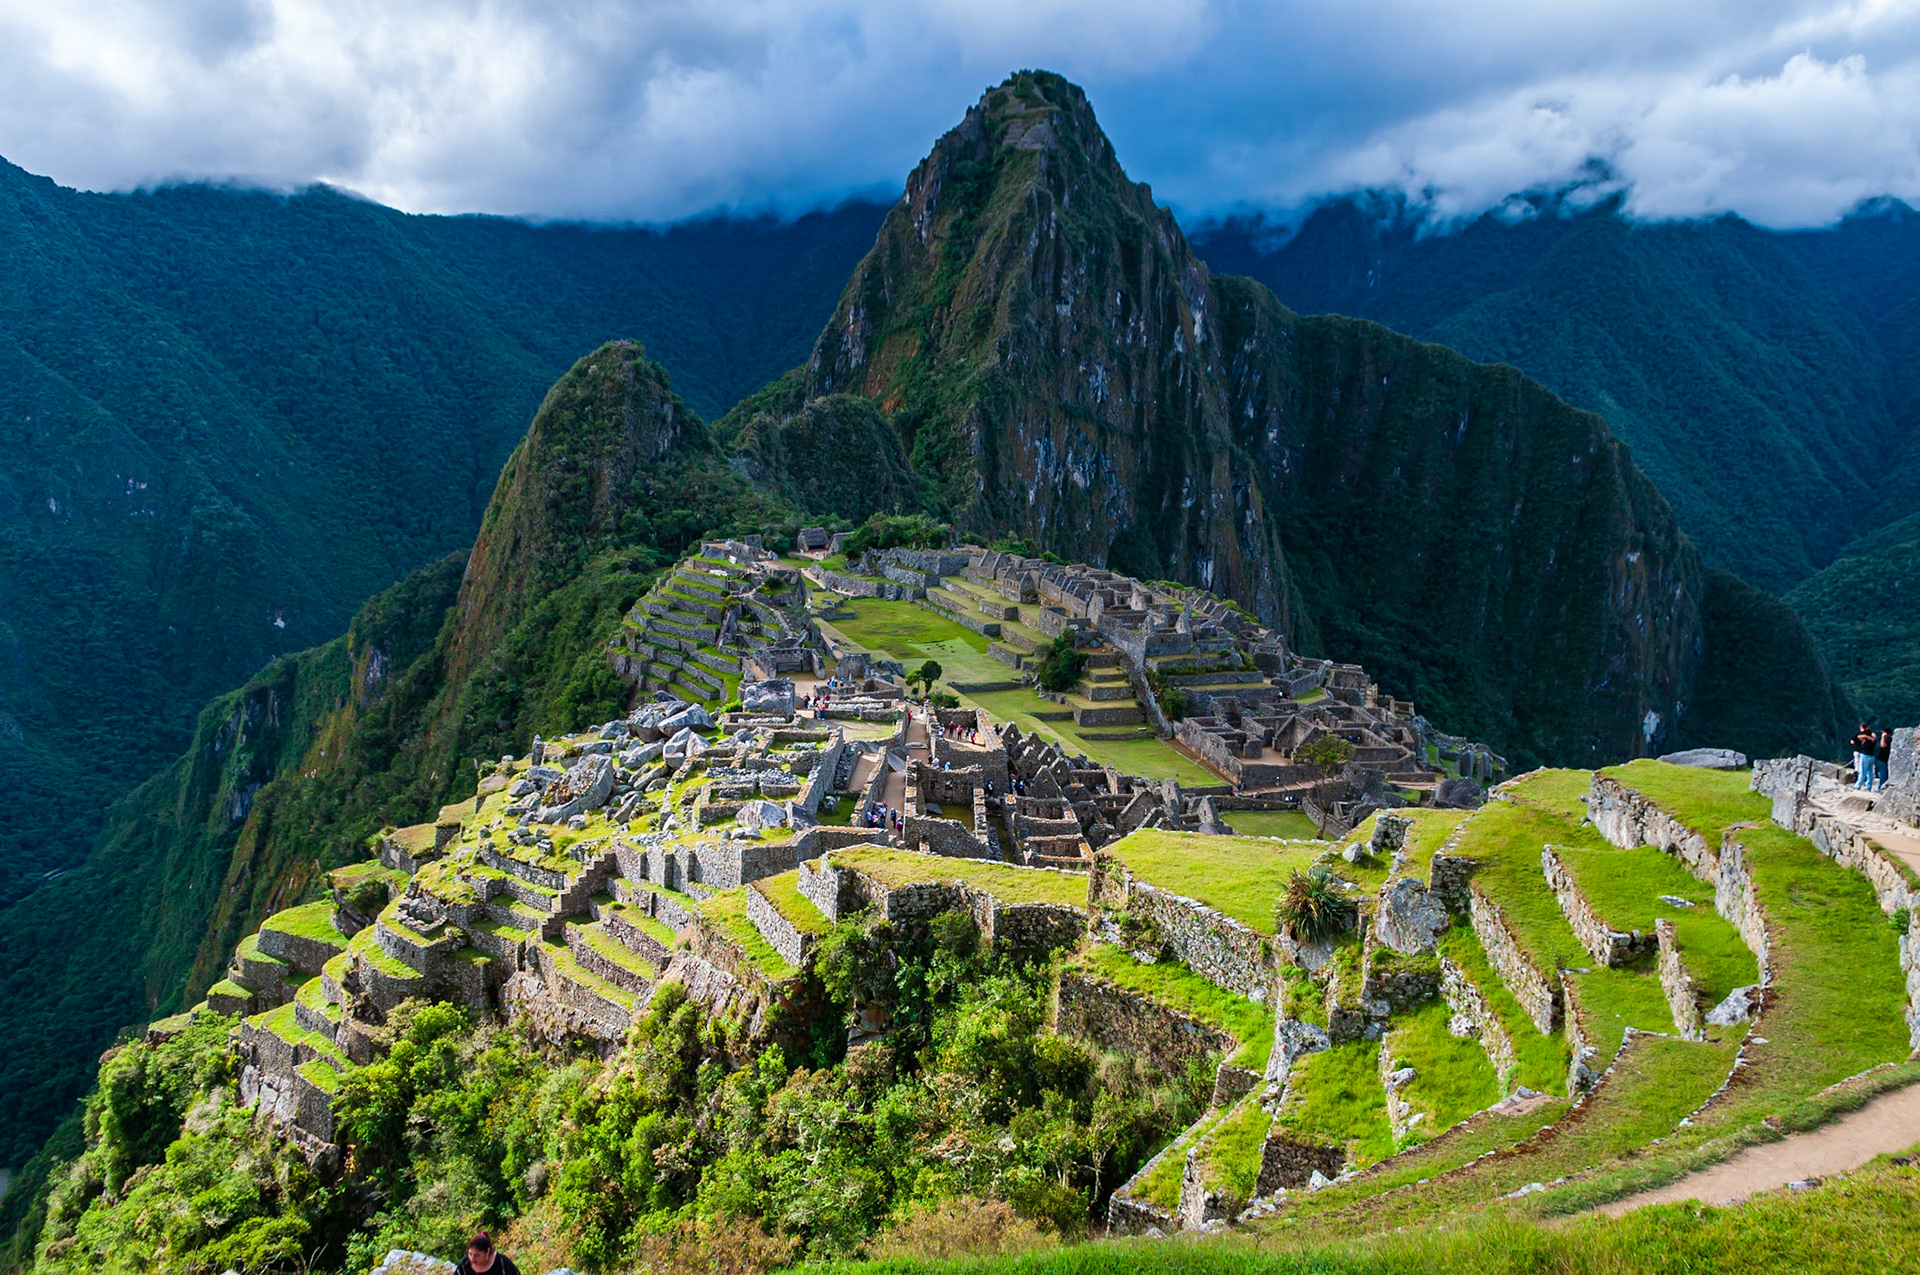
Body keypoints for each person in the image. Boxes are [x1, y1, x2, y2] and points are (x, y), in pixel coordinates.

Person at [456, 1233, 520, 1275]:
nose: (472, 1258)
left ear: (487, 1251)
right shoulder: (465, 1264)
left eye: (477, 1255)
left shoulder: (502, 1262)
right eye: (470, 1254)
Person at [1854, 722, 1875, 790]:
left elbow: (1859, 737)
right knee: (1870, 773)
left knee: (1862, 771)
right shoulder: (1873, 740)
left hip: (1865, 755)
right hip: (1872, 756)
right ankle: (1868, 786)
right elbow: (1874, 736)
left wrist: (1866, 736)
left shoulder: (1865, 739)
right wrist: (1870, 736)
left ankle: (1858, 785)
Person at [1875, 727, 1895, 792]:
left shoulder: (1889, 739)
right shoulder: (1891, 739)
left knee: (1883, 776)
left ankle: (1880, 788)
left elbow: (1883, 745)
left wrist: (1883, 737)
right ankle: (1880, 788)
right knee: (1882, 775)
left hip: (1882, 759)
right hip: (1883, 759)